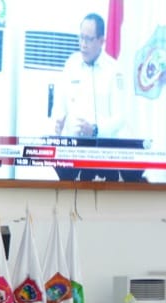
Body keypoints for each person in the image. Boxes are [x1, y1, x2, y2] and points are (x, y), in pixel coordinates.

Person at [51, 13, 130, 182]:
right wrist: (57, 126)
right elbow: (59, 107)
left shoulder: (114, 70)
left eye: (88, 39)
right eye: (81, 37)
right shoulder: (70, 65)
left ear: (101, 41)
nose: (83, 44)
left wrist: (95, 129)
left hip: (103, 156)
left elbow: (120, 118)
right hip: (72, 156)